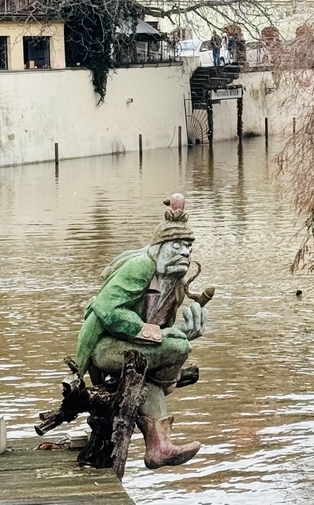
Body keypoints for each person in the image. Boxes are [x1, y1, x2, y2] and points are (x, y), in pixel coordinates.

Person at [76, 194, 209, 469]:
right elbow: (106, 308)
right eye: (177, 245)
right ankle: (167, 382)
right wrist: (159, 335)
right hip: (104, 344)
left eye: (188, 247)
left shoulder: (175, 282)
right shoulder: (142, 266)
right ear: (159, 246)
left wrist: (185, 330)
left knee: (167, 357)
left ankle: (159, 447)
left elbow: (163, 329)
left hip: (131, 348)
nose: (185, 252)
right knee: (179, 347)